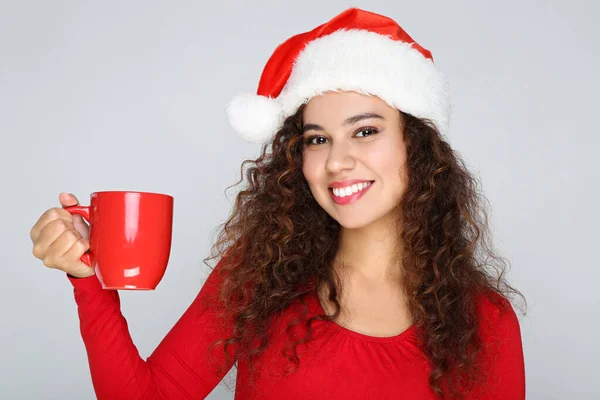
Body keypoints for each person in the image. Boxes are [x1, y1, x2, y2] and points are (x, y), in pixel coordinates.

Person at [29, 7, 526, 400]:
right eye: (317, 139)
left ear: (415, 147)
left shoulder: (486, 320)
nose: (337, 161)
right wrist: (86, 279)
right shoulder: (257, 277)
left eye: (366, 131)